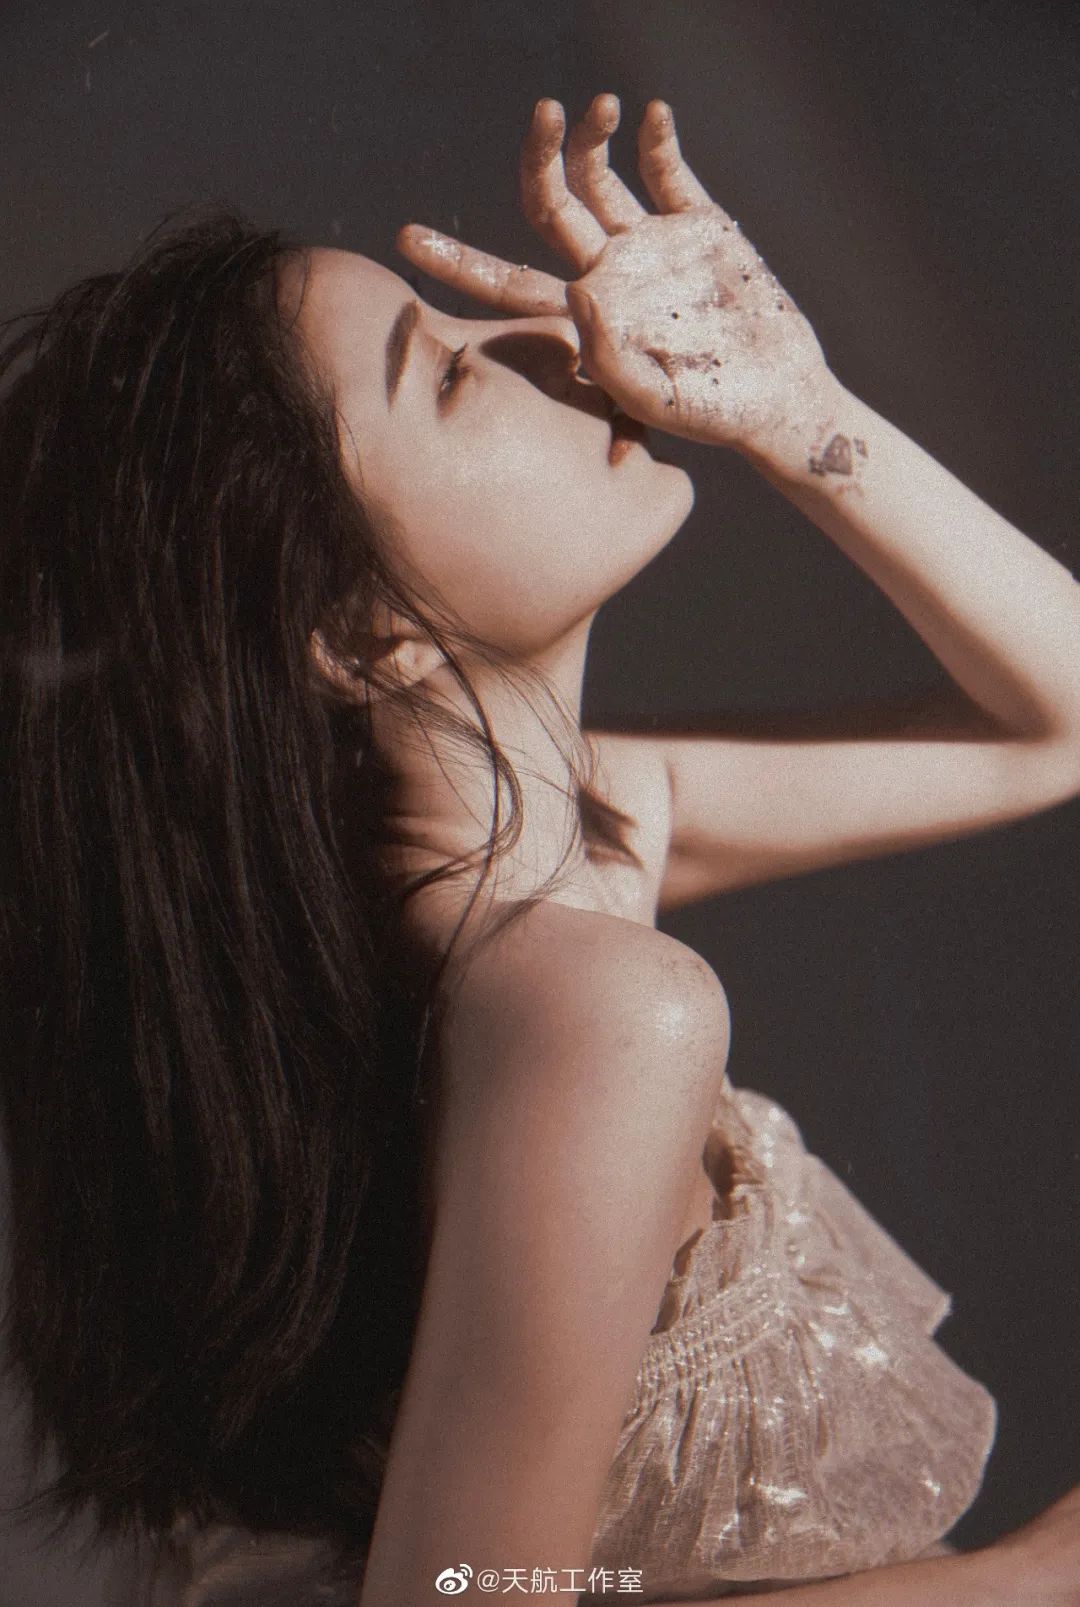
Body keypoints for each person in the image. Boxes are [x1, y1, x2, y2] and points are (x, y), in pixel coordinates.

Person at [0, 90, 1078, 1607]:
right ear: (357, 636)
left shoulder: (555, 850)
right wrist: (1032, 1579)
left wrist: (794, 407)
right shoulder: (590, 1009)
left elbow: (1054, 725)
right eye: (447, 373)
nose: (554, 333)